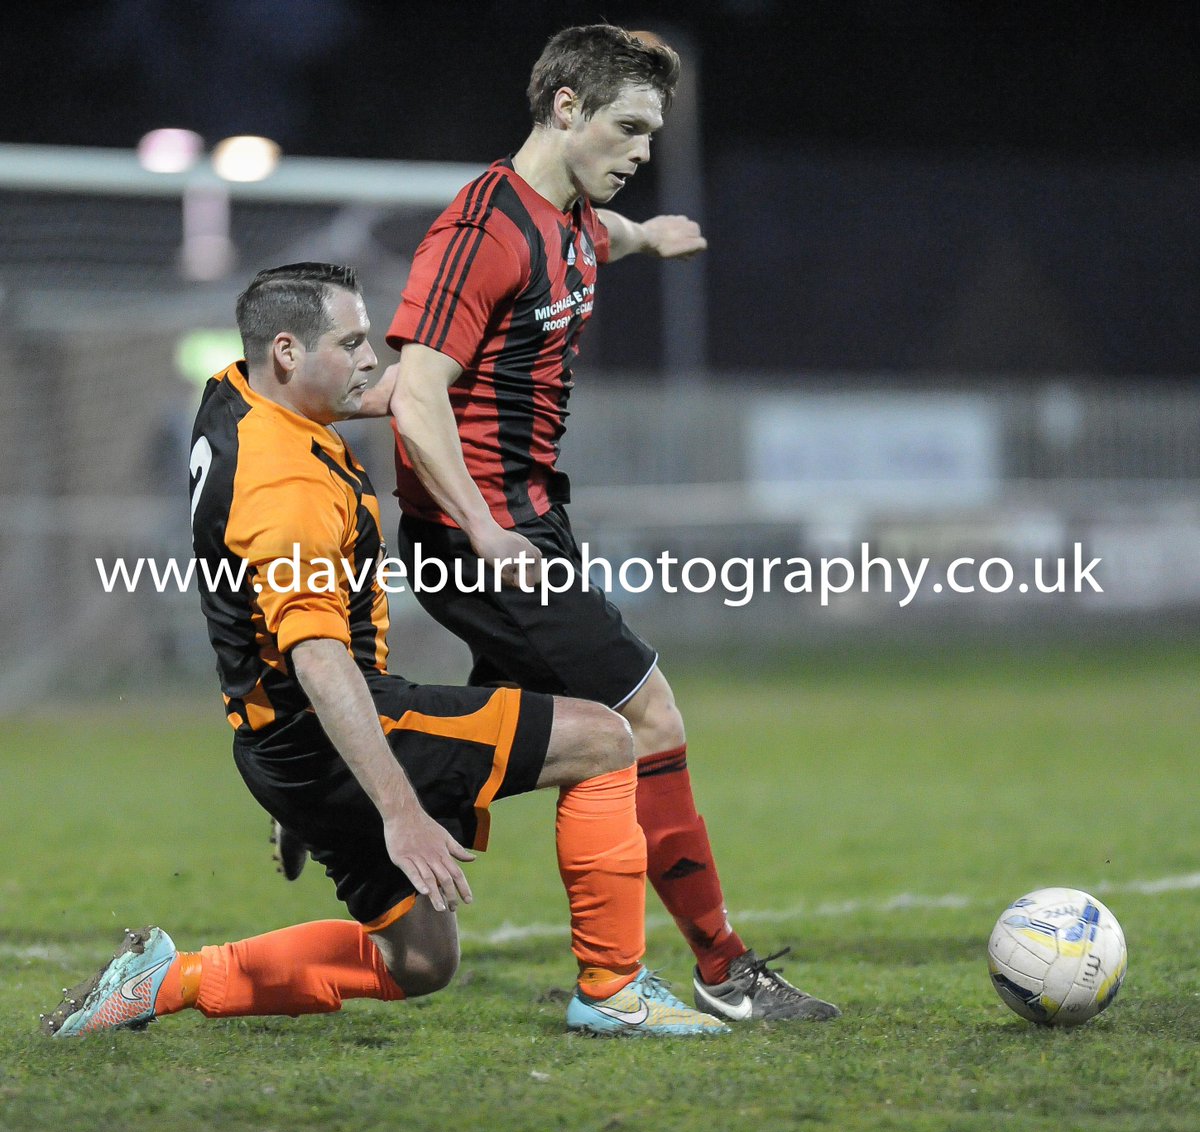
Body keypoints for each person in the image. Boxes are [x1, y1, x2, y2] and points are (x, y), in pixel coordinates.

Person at [41, 263, 725, 1039]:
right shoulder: (284, 488)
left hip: (277, 746)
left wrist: (447, 371)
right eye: (354, 341)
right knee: (605, 737)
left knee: (421, 961)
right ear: (290, 353)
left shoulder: (237, 392)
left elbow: (379, 392)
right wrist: (399, 810)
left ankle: (167, 979)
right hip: (329, 723)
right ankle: (614, 992)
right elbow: (321, 663)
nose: (372, 359)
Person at [355, 26, 840, 1022]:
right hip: (483, 541)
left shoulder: (573, 217)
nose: (640, 150)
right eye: (628, 127)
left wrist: (649, 234)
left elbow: (598, 244)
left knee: (533, 741)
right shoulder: (482, 226)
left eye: (652, 136)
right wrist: (486, 535)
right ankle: (721, 972)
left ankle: (368, 779)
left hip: (532, 528)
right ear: (566, 107)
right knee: (647, 717)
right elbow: (419, 394)